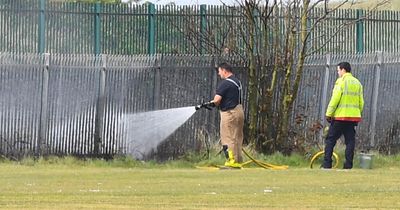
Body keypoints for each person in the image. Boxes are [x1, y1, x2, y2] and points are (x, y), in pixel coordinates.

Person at [202, 62, 244, 168]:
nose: (219, 74)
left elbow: (216, 101)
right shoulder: (237, 81)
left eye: (219, 71)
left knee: (227, 137)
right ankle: (238, 160)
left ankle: (231, 161)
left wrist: (207, 104)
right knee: (237, 137)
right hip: (239, 111)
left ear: (224, 71)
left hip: (229, 113)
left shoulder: (225, 84)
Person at [323, 62, 364, 169]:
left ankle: (327, 164)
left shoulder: (341, 82)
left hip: (340, 117)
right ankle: (348, 165)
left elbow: (335, 99)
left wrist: (329, 113)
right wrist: (357, 113)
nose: (338, 73)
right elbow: (361, 102)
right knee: (350, 141)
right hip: (353, 118)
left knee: (330, 140)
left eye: (338, 70)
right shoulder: (357, 83)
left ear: (343, 70)